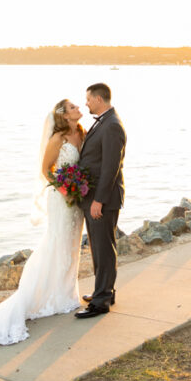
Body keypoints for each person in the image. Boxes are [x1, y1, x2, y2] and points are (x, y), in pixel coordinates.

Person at [0, 99, 85, 351]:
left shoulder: (81, 132)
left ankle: (64, 294)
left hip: (78, 199)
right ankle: (35, 296)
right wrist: (64, 188)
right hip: (62, 197)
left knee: (72, 244)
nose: (78, 108)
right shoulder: (57, 139)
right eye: (73, 106)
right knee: (57, 242)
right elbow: (46, 169)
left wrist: (78, 188)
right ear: (64, 115)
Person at [75, 82, 127, 319]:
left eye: (88, 99)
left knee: (104, 248)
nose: (86, 103)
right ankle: (104, 291)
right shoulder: (105, 123)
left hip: (102, 199)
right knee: (98, 246)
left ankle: (101, 302)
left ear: (98, 99)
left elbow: (110, 168)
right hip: (95, 197)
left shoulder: (112, 126)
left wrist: (99, 200)